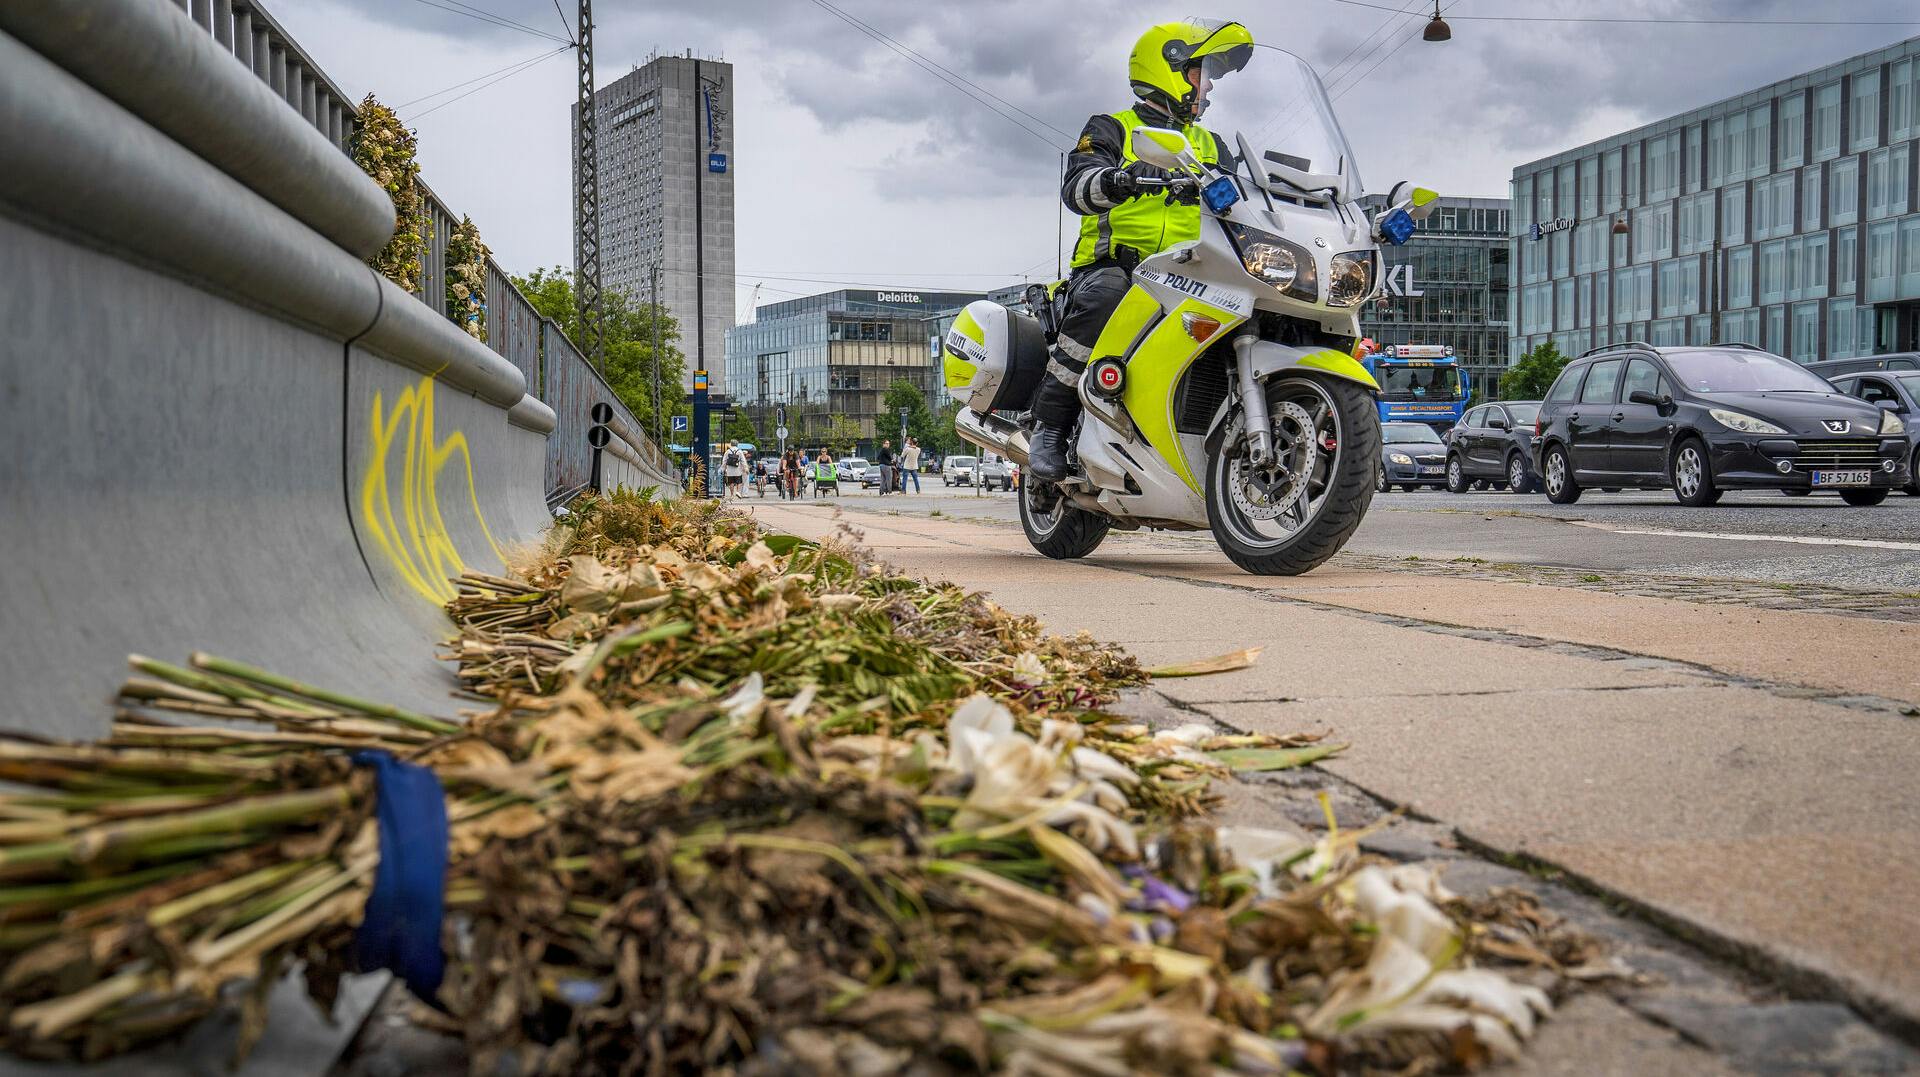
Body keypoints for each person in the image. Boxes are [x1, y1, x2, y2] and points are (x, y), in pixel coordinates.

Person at [1027, 18, 1252, 483]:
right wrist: (1118, 179)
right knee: (1108, 297)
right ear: (1169, 68)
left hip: (1193, 274)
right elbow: (1077, 189)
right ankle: (1049, 425)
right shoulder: (1113, 129)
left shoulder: (1213, 145)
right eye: (1202, 72)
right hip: (1117, 267)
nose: (1208, 86)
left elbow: (1248, 202)